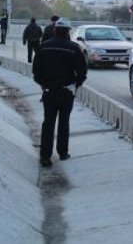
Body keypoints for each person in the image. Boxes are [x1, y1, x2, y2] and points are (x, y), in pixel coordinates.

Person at [32, 18, 87, 167]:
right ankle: (63, 153)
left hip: (49, 92)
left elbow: (36, 71)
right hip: (66, 92)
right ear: (68, 31)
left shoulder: (44, 47)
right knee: (64, 122)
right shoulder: (74, 48)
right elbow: (82, 72)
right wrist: (76, 85)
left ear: (55, 30)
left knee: (48, 123)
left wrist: (43, 84)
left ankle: (45, 156)